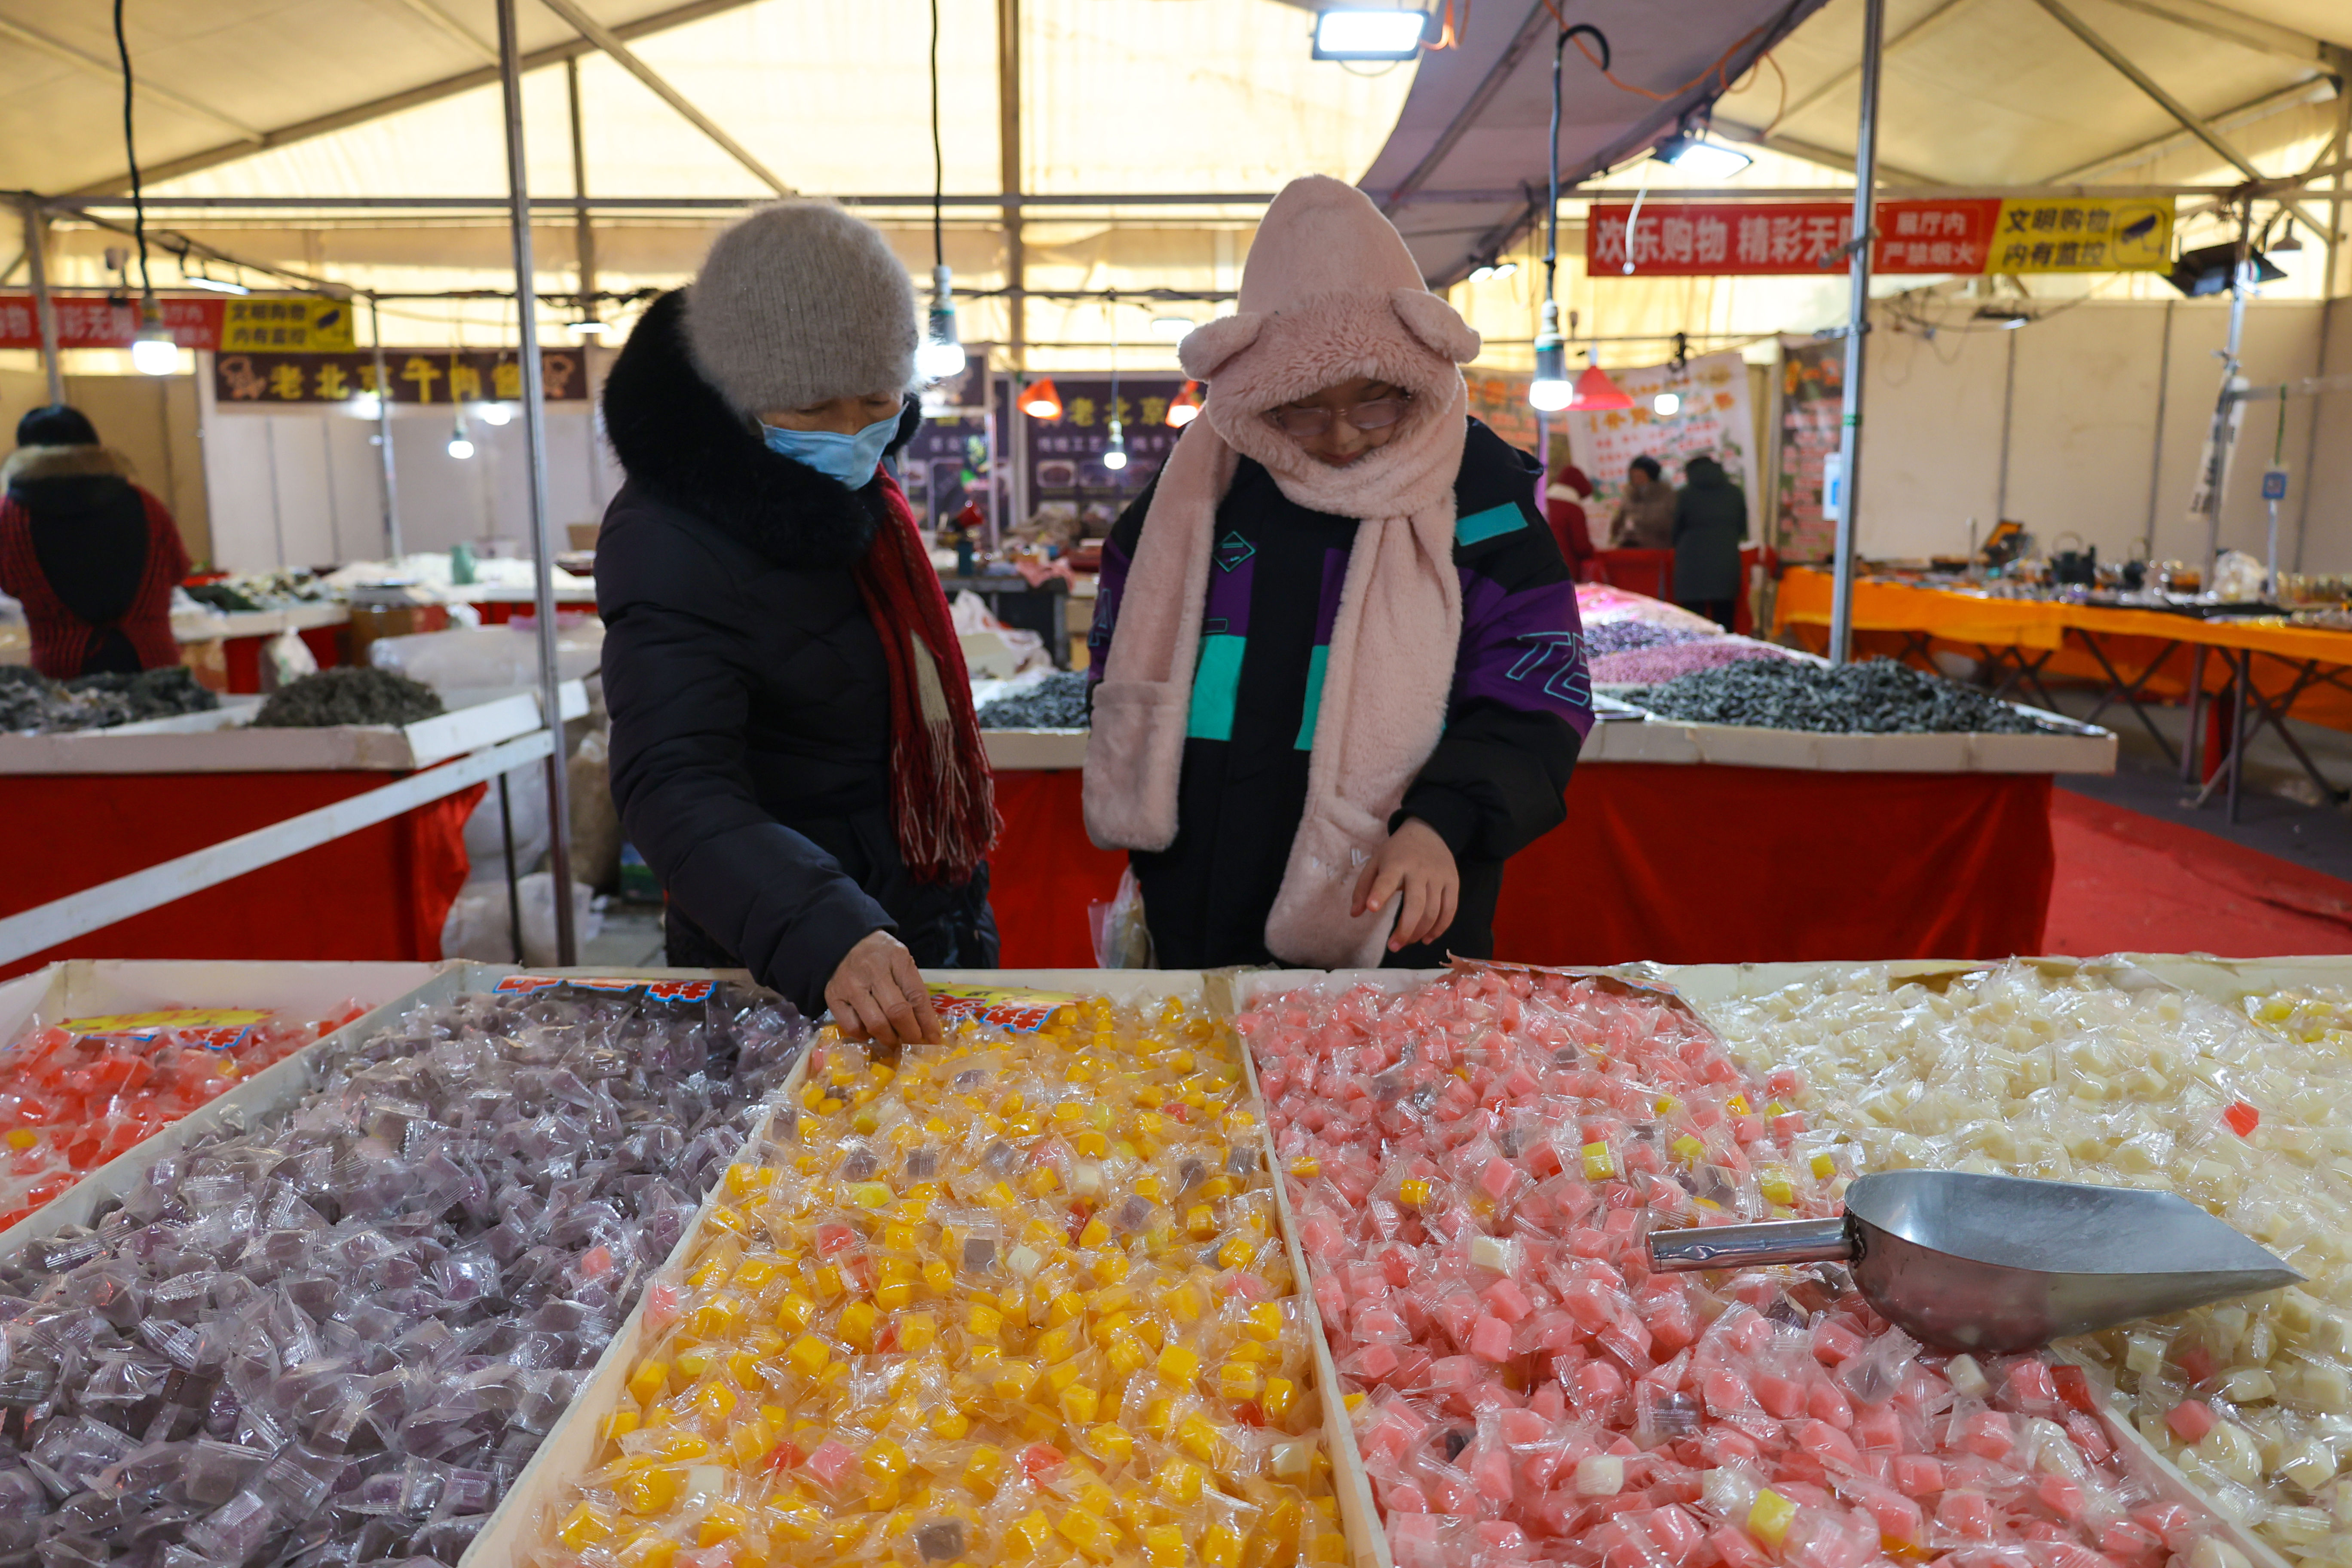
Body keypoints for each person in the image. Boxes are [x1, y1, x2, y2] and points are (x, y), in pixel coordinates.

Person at [1084, 175, 1592, 970]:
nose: (1343, 435)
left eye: (1376, 401)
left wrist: (1442, 821)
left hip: (1395, 906)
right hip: (1202, 897)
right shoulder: (1186, 505)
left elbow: (1539, 692)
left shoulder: (1483, 503)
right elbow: (1114, 660)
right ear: (1252, 387)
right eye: (1303, 406)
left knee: (1381, 1089)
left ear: (1419, 367)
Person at [597, 202, 998, 1048]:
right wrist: (823, 928)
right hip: (779, 963)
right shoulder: (669, 534)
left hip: (914, 930)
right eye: (815, 407)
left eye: (877, 399)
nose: (855, 433)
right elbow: (671, 779)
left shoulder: (866, 502)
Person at [0, 405, 189, 679]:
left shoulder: (10, 516)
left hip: (63, 674)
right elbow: (178, 570)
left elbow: (8, 584)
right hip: (155, 667)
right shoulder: (146, 504)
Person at [1673, 454, 1749, 631]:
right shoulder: (1734, 492)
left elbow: (1676, 528)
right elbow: (1742, 526)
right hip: (1725, 556)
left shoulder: (1685, 494)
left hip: (1691, 560)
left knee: (1693, 619)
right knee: (1724, 614)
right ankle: (1727, 653)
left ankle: (1695, 655)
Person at [1609, 454, 1675, 549]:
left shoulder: (1666, 495)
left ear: (1651, 476)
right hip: (1633, 549)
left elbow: (1671, 524)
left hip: (1660, 548)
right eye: (1633, 476)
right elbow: (1620, 520)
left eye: (1640, 476)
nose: (1636, 480)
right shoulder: (1629, 494)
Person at [1544, 461, 1597, 581]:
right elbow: (1581, 546)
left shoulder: (1543, 504)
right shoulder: (1573, 509)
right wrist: (1593, 552)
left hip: (1543, 569)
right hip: (1566, 570)